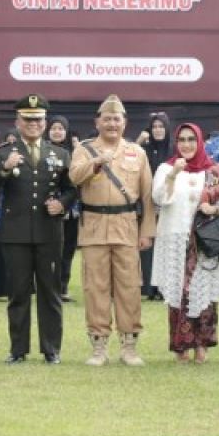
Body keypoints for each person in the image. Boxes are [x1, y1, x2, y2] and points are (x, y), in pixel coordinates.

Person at [67, 94, 155, 366]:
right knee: (96, 288)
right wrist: (96, 163)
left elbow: (147, 195)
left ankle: (129, 346)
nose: (112, 124)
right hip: (94, 226)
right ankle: (99, 346)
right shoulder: (84, 150)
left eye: (117, 119)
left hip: (126, 226)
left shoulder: (136, 152)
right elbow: (74, 177)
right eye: (107, 119)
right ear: (97, 122)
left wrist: (146, 231)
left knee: (129, 287)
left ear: (124, 123)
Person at [0, 96, 75, 364]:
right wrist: (5, 168)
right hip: (15, 233)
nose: (33, 123)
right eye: (27, 119)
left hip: (49, 232)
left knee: (50, 292)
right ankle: (18, 349)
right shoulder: (3, 152)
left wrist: (62, 204)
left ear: (45, 122)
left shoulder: (60, 154)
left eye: (38, 119)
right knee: (18, 293)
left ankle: (51, 349)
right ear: (18, 122)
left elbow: (72, 189)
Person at [149, 123, 219, 363]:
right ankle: (181, 346)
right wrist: (174, 174)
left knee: (203, 293)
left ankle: (202, 346)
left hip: (205, 240)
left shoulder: (214, 171)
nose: (186, 144)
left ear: (200, 141)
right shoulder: (166, 168)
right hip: (176, 238)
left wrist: (214, 209)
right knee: (179, 292)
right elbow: (159, 198)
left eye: (191, 139)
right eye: (182, 139)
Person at [137, 112, 172, 301]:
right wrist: (139, 141)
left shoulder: (173, 150)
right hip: (147, 204)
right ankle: (149, 288)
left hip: (168, 205)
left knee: (165, 247)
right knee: (148, 247)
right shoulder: (144, 150)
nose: (158, 130)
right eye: (154, 127)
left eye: (161, 126)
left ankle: (164, 288)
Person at [48, 113, 82, 302]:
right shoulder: (43, 151)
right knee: (51, 250)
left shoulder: (75, 153)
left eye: (60, 128)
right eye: (54, 128)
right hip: (49, 208)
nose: (57, 132)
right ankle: (49, 288)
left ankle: (63, 287)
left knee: (68, 249)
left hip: (72, 208)